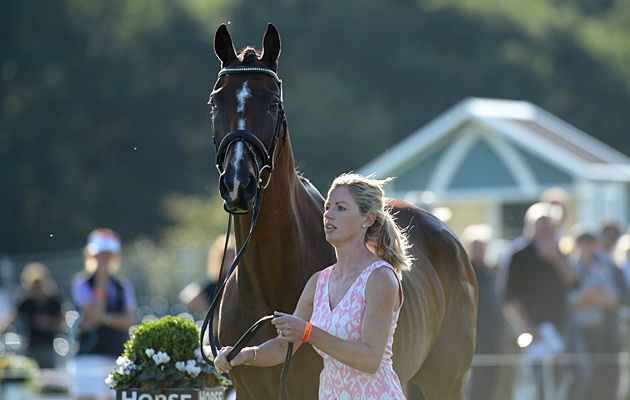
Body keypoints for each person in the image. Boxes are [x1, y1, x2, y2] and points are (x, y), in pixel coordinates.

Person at [214, 173, 411, 399]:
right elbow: (281, 348)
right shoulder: (319, 281)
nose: (328, 215)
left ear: (368, 219)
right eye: (327, 207)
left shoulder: (380, 277)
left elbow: (370, 359)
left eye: (341, 208)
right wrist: (242, 354)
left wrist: (308, 332)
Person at [503, 202, 579, 399]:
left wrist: (554, 258)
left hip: (561, 326)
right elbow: (509, 297)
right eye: (542, 227)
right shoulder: (518, 254)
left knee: (566, 377)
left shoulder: (557, 251)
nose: (547, 232)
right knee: (537, 383)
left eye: (550, 228)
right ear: (531, 227)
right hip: (534, 331)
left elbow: (573, 282)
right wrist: (527, 326)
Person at [70, 228, 137, 400]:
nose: (104, 259)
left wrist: (104, 320)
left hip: (117, 355)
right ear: (91, 255)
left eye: (108, 254)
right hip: (89, 357)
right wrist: (100, 283)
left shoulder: (123, 285)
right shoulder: (81, 283)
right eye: (100, 254)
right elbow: (93, 314)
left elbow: (129, 320)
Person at [568, 230, 620, 400]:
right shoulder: (569, 269)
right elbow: (568, 300)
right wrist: (594, 296)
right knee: (582, 373)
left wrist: (586, 297)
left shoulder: (599, 270)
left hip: (597, 329)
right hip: (576, 330)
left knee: (598, 373)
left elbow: (612, 300)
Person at [461, 224, 504, 400]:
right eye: (475, 246)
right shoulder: (464, 272)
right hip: (474, 338)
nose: (479, 250)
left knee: (492, 381)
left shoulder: (490, 272)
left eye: (482, 246)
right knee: (476, 383)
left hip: (493, 335)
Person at [5, 262, 63, 369]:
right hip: (32, 348)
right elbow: (11, 318)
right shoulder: (26, 303)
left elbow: (62, 322)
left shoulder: (54, 302)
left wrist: (48, 323)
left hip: (49, 347)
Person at [179, 235, 236, 317]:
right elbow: (189, 295)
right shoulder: (216, 284)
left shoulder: (244, 282)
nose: (232, 259)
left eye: (234, 254)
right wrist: (213, 316)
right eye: (228, 256)